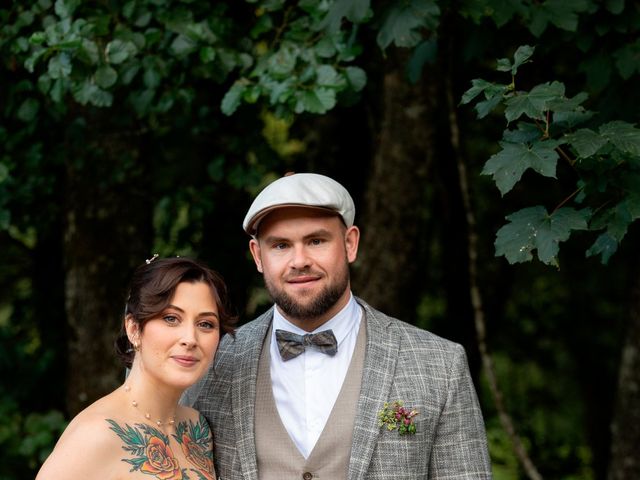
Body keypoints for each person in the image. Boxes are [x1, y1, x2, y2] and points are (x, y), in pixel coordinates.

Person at [188, 172, 492, 479]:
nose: (299, 261)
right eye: (280, 246)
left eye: (316, 240)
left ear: (350, 243)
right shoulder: (215, 360)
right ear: (258, 256)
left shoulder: (439, 363)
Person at [37, 256, 235, 480]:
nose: (190, 339)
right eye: (171, 318)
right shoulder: (96, 434)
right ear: (133, 329)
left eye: (206, 324)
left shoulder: (197, 429)